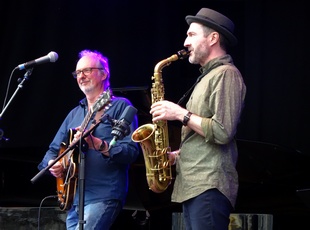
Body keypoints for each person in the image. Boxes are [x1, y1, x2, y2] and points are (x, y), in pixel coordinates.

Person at [150, 8, 246, 230]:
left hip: (209, 185)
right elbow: (203, 137)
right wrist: (176, 156)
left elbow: (222, 131)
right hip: (195, 185)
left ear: (213, 38)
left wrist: (179, 113)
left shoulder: (226, 74)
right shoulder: (207, 77)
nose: (185, 42)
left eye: (191, 35)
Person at [38, 49, 140, 230]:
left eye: (87, 70)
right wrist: (54, 163)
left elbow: (131, 152)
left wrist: (99, 144)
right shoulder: (75, 113)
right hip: (74, 198)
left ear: (104, 74)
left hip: (104, 194)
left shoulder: (119, 106)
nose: (81, 76)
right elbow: (51, 151)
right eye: (77, 73)